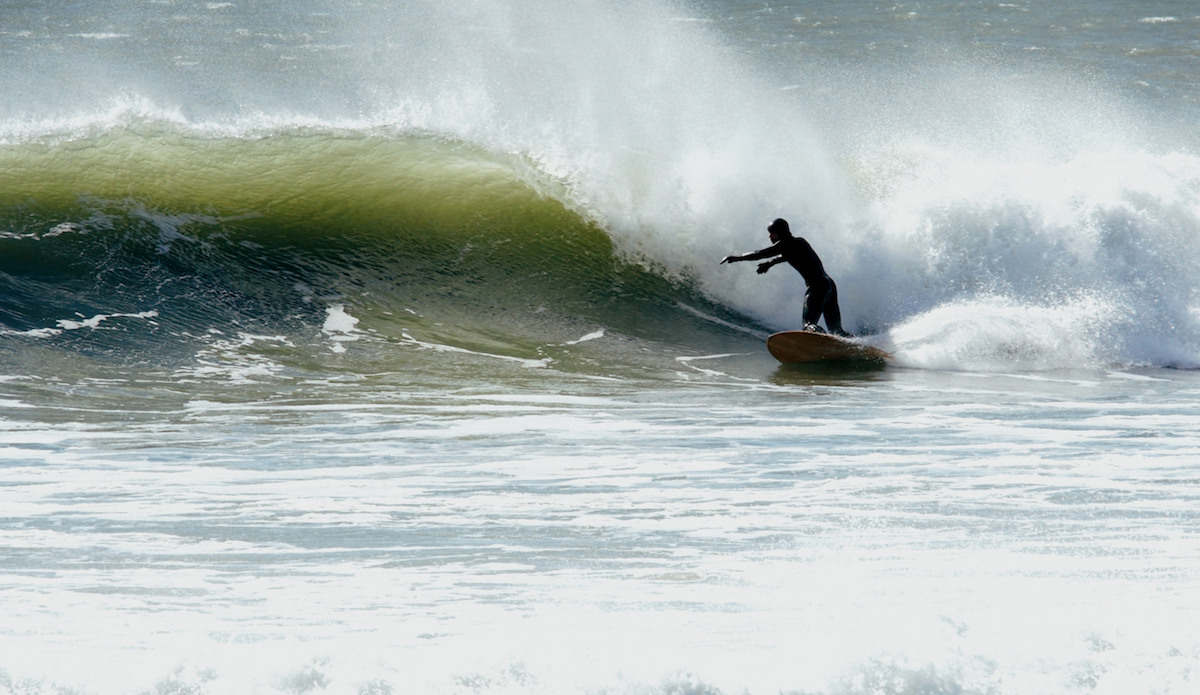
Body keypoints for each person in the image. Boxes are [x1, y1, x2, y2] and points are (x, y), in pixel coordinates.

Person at [720, 218, 849, 336]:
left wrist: (736, 258)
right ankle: (859, 344)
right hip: (829, 284)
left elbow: (760, 254)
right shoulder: (799, 242)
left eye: (772, 233)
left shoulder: (784, 244)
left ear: (780, 233)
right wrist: (770, 264)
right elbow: (787, 256)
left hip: (817, 286)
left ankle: (819, 337)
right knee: (836, 331)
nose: (770, 236)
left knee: (808, 325)